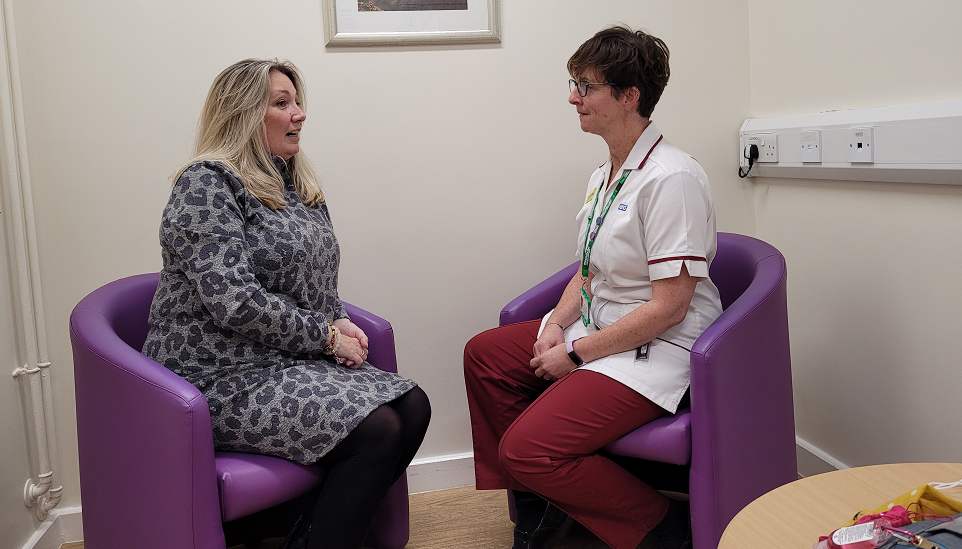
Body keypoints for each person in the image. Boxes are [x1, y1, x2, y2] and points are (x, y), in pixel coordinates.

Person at [142, 58, 430, 549]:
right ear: (243, 115)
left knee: (414, 405)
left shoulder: (295, 182)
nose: (299, 115)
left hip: (282, 364)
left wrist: (335, 313)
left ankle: (308, 537)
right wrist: (326, 336)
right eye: (282, 104)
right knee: (378, 429)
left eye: (298, 103)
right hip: (217, 378)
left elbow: (312, 277)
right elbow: (235, 302)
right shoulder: (207, 185)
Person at [464, 26, 722, 549]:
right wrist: (554, 325)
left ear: (631, 96)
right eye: (574, 82)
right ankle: (547, 509)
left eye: (586, 86)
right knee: (486, 355)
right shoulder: (608, 171)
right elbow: (587, 268)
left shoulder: (672, 178)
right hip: (601, 325)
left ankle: (662, 529)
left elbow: (670, 307)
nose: (572, 97)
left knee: (527, 449)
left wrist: (577, 354)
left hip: (659, 345)